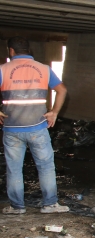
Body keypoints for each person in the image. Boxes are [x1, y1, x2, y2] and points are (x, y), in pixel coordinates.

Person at [0, 36, 69, 214]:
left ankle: (17, 207)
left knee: (14, 169)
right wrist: (54, 112)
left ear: (11, 51)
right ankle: (50, 204)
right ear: (29, 50)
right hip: (38, 127)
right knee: (45, 166)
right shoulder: (44, 69)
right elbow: (62, 90)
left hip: (12, 128)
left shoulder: (2, 70)